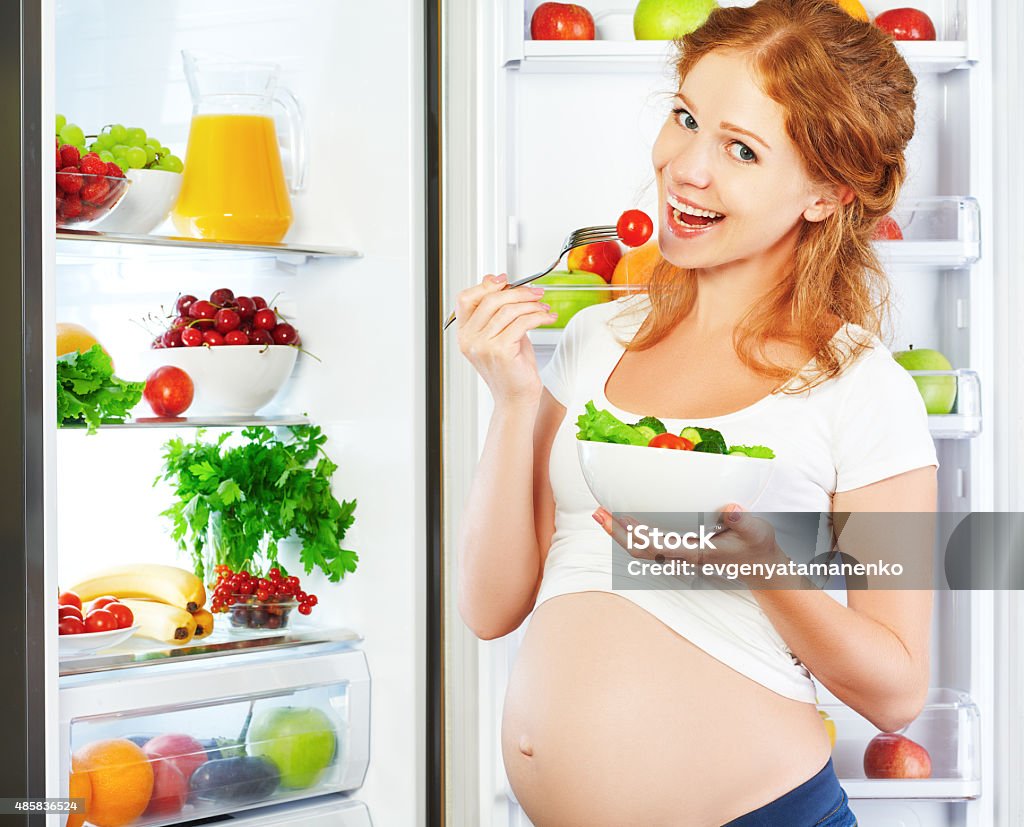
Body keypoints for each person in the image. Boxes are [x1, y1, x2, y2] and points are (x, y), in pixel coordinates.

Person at [454, 1, 937, 824]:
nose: (686, 169)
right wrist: (513, 402)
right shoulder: (598, 338)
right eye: (686, 118)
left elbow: (897, 691)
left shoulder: (860, 384)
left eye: (741, 149)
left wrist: (762, 568)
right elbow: (491, 605)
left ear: (825, 193)